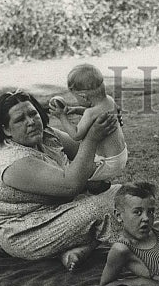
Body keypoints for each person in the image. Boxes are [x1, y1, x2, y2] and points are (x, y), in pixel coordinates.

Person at [0, 89, 121, 271]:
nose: (31, 122)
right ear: (6, 130)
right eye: (20, 120)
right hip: (26, 233)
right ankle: (147, 253)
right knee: (102, 208)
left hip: (57, 211)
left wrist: (109, 126)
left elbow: (90, 156)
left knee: (123, 195)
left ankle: (78, 250)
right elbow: (71, 185)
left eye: (33, 114)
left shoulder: (46, 135)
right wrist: (92, 137)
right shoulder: (13, 162)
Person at [48, 64, 127, 193]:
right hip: (120, 155)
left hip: (107, 163)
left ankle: (93, 185)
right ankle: (99, 184)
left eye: (76, 97)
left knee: (75, 170)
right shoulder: (109, 101)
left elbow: (76, 135)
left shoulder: (90, 113)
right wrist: (75, 110)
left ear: (84, 96)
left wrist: (61, 117)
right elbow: (92, 112)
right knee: (88, 168)